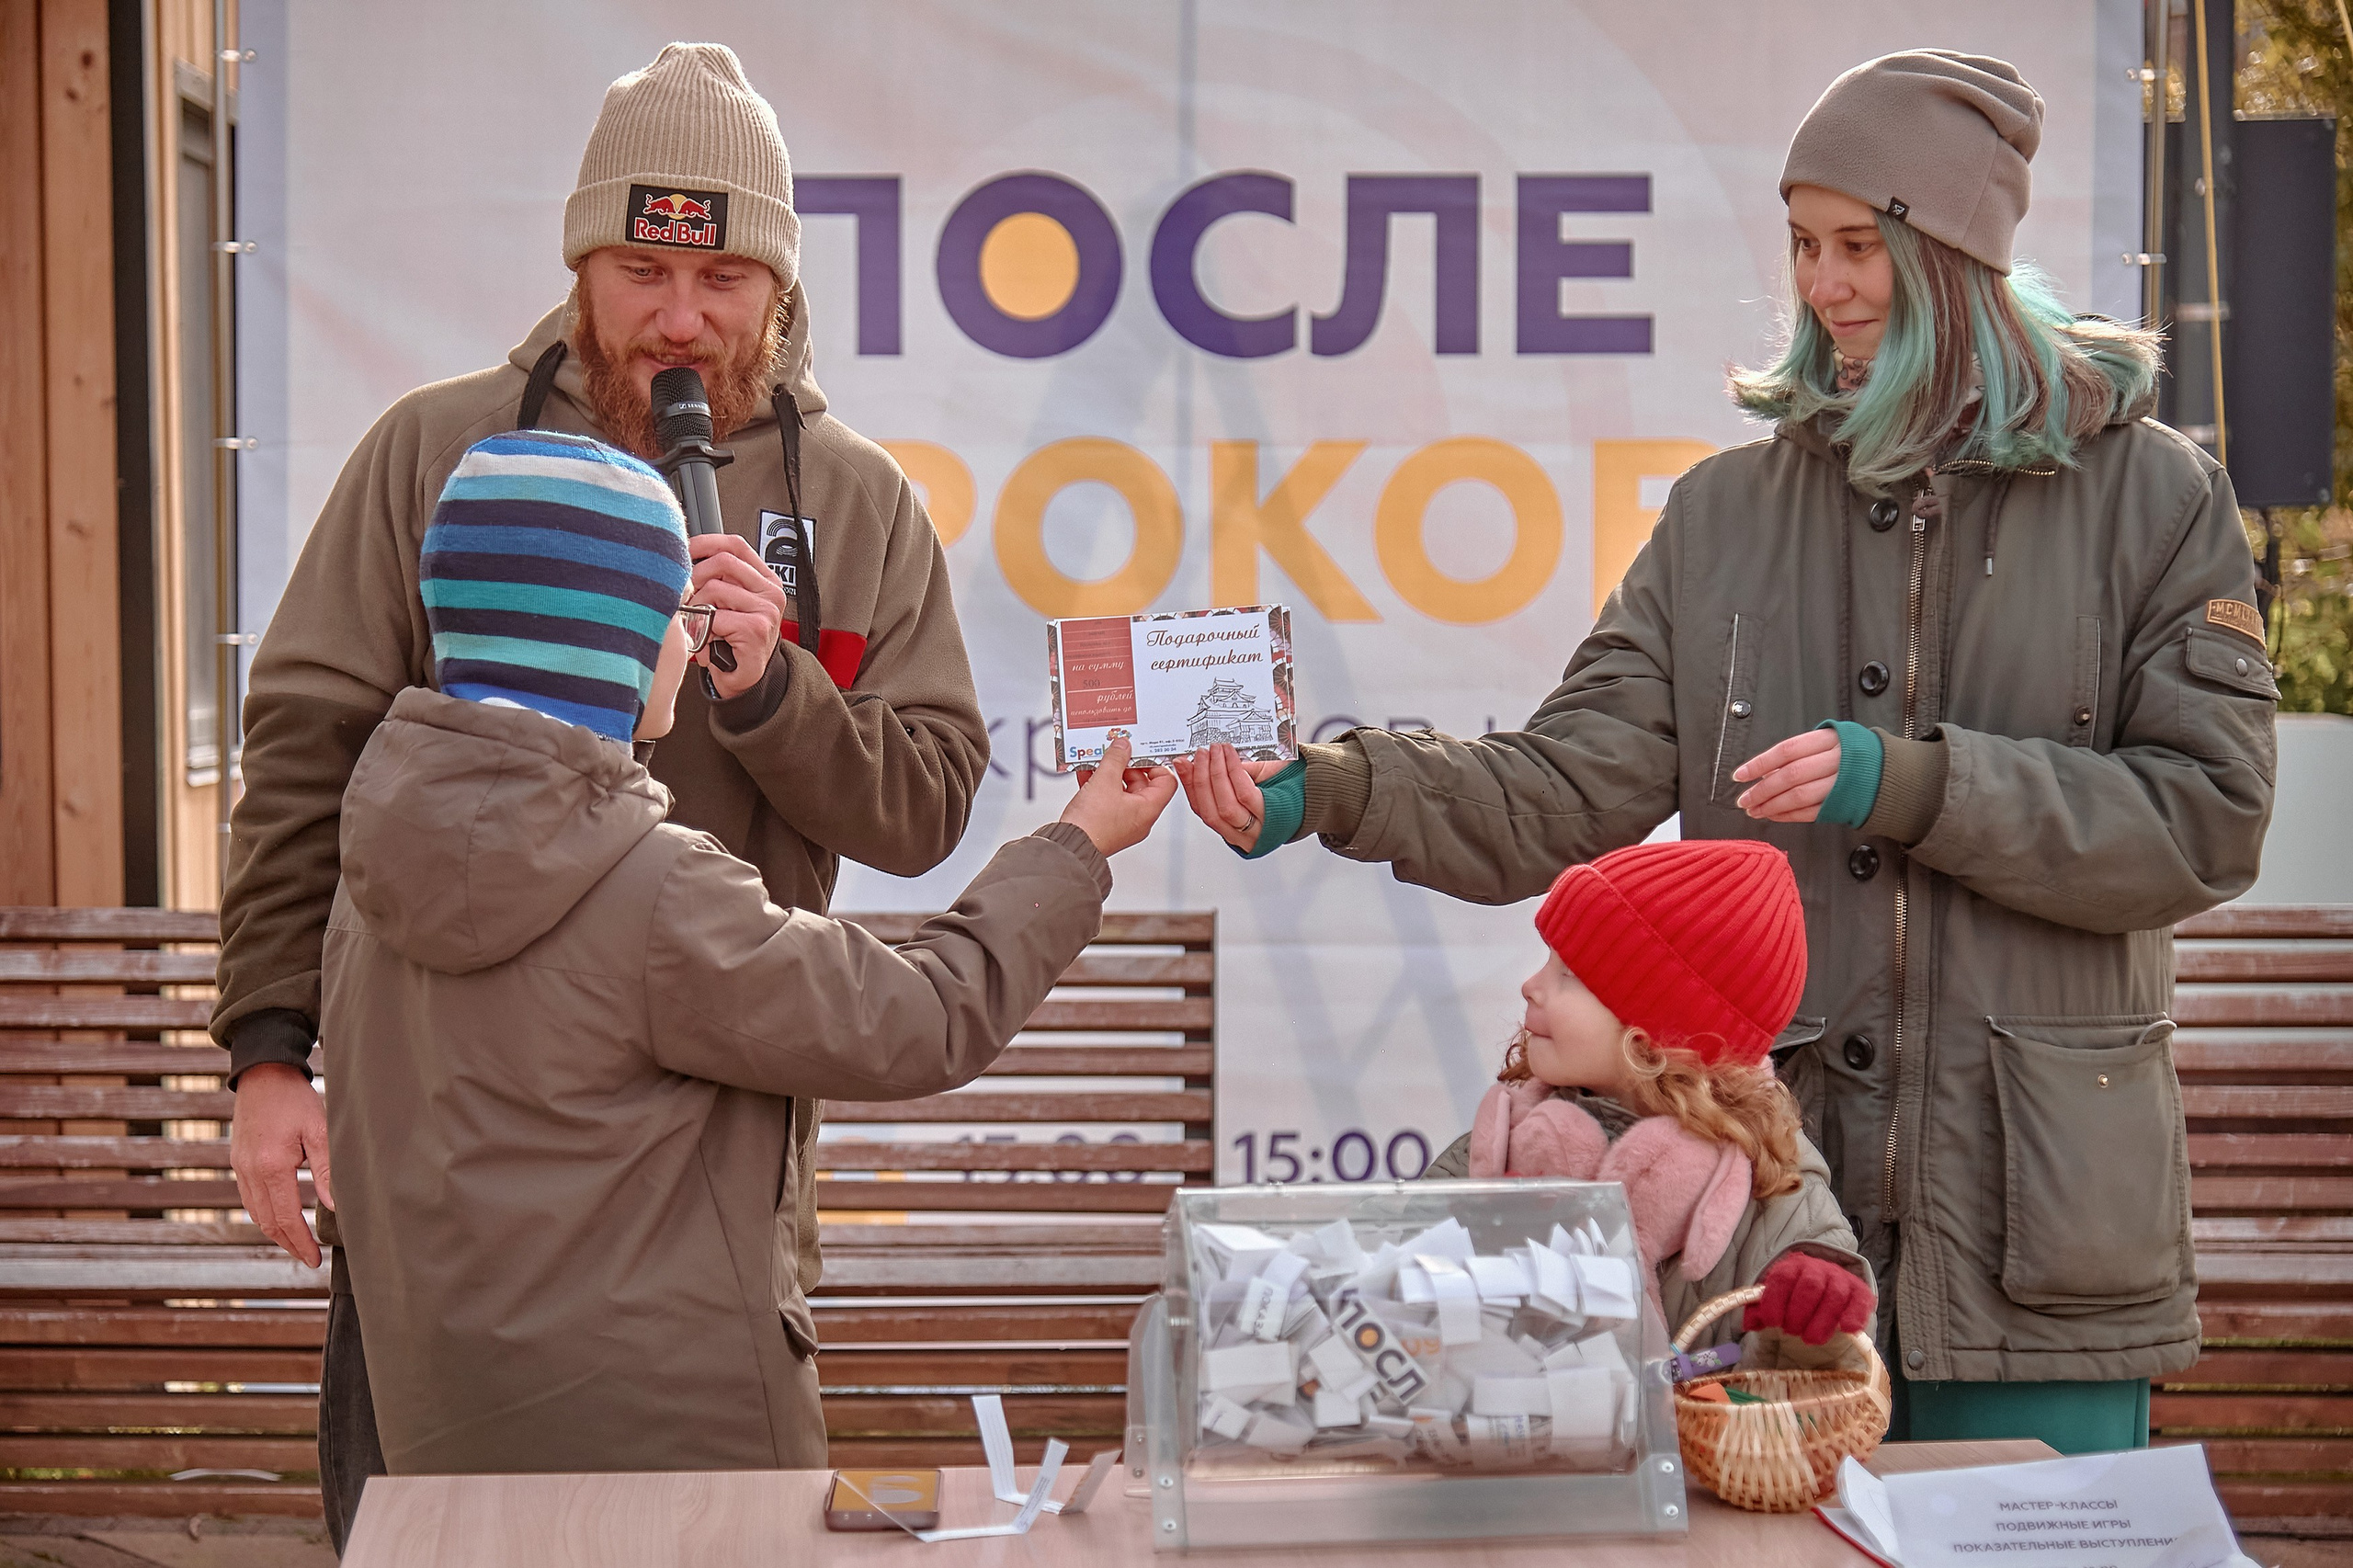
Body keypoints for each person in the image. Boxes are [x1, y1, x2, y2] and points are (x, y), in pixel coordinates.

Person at [1178, 50, 2277, 1453]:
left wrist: (1918, 780)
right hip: (1763, 1252)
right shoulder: (1719, 518)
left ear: (1956, 255)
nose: (1824, 285)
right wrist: (1331, 788)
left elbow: (2208, 820)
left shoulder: (2159, 499)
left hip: (2043, 1241)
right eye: (1806, 245)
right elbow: (1568, 782)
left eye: (1860, 245)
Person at [211, 43, 988, 1542]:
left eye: (724, 283)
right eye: (641, 269)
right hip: (438, 1138)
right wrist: (265, 1053)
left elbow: (925, 801)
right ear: (583, 260)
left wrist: (774, 696)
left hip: (708, 1154)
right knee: (430, 1521)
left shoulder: (855, 501)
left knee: (711, 1523)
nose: (681, 318)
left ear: (781, 286)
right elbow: (307, 747)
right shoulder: (436, 450)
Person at [324, 430, 1173, 1475]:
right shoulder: (651, 889)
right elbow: (922, 1018)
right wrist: (1078, 843)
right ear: (616, 644)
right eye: (676, 617)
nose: (692, 643)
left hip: (440, 1432)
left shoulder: (367, 869)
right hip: (677, 1450)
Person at [1431, 840, 1874, 1365]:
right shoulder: (1499, 1145)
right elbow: (1389, 1290)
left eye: (1569, 974)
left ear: (1655, 1038)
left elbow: (1830, 1384)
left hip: (1707, 1448)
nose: (1531, 986)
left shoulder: (1775, 1188)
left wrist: (1811, 1322)